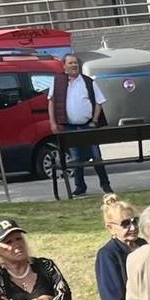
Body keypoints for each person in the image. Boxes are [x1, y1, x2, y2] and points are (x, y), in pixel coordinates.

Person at [50, 52, 113, 197]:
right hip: (69, 127)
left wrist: (94, 121)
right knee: (76, 158)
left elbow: (99, 102)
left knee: (96, 157)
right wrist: (53, 122)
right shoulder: (57, 82)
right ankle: (80, 187)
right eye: (71, 63)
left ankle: (105, 185)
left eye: (75, 63)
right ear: (64, 66)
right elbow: (51, 101)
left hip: (87, 125)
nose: (74, 65)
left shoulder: (88, 82)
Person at [95, 195, 145, 300]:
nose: (133, 227)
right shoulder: (107, 255)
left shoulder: (144, 244)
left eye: (135, 221)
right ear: (110, 228)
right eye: (125, 224)